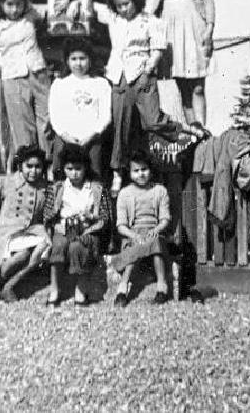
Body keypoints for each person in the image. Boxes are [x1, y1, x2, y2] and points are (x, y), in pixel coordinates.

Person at [92, 0, 193, 197]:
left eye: (126, 4)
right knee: (121, 124)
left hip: (142, 74)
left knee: (152, 120)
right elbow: (92, 8)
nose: (123, 9)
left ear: (135, 1)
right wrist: (75, 5)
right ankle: (118, 171)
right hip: (120, 77)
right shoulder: (114, 19)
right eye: (118, 5)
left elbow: (157, 47)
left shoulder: (149, 21)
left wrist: (149, 68)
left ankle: (184, 132)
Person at [147, 0, 215, 130]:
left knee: (197, 86)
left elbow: (209, 1)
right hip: (169, 31)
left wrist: (209, 29)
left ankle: (203, 130)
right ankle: (193, 130)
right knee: (183, 87)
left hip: (194, 28)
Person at [0, 0, 52, 165]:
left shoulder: (30, 15)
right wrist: (7, 71)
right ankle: (30, 171)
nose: (14, 9)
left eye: (18, 4)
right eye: (10, 4)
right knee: (23, 129)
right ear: (1, 4)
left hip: (38, 73)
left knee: (46, 122)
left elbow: (49, 12)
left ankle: (49, 169)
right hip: (13, 79)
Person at [0, 145, 50, 303]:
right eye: (29, 166)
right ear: (20, 166)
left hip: (31, 231)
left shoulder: (45, 187)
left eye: (38, 167)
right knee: (23, 254)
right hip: (6, 232)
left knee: (45, 246)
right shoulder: (5, 182)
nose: (33, 171)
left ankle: (9, 284)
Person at [43, 144, 110, 306]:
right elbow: (47, 213)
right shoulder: (58, 188)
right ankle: (55, 289)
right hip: (63, 228)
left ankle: (80, 290)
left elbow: (105, 217)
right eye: (69, 168)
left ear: (86, 168)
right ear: (64, 169)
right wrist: (55, 218)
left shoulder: (95, 189)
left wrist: (90, 217)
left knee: (77, 248)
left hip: (88, 229)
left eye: (78, 169)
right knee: (58, 245)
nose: (74, 173)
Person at [113, 150, 172, 307]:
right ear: (130, 173)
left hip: (154, 231)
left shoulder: (160, 190)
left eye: (144, 169)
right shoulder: (125, 193)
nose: (141, 174)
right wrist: (133, 235)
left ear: (151, 170)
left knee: (156, 244)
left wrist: (158, 229)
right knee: (137, 245)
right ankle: (123, 288)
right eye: (136, 171)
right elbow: (121, 225)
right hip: (133, 234)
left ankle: (161, 286)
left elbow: (165, 218)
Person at [48, 36, 111, 180]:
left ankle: (94, 201)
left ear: (90, 59)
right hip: (66, 138)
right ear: (67, 61)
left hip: (92, 138)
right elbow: (55, 115)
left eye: (82, 58)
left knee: (93, 177)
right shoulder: (60, 84)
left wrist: (92, 135)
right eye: (74, 59)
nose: (78, 63)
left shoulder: (101, 83)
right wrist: (65, 135)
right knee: (61, 175)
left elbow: (105, 116)